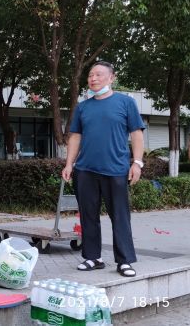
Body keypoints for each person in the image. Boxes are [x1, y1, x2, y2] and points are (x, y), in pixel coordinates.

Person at [62, 61, 145, 278]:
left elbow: (136, 134)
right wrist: (69, 164)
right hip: (85, 170)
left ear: (111, 78)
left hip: (116, 169)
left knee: (120, 217)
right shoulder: (83, 107)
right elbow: (75, 137)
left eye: (99, 74)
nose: (93, 78)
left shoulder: (126, 103)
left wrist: (137, 162)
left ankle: (124, 261)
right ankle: (93, 257)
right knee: (88, 215)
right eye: (91, 75)